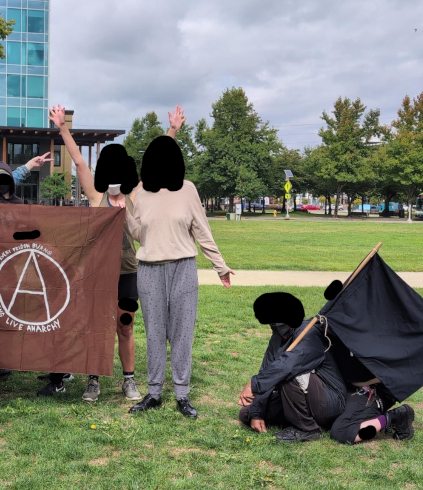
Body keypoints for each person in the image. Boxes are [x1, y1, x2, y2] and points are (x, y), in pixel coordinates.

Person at [35, 105, 186, 401]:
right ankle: (93, 381)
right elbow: (78, 161)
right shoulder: (95, 195)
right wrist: (62, 127)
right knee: (96, 328)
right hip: (97, 274)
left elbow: (156, 162)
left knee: (124, 327)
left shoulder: (136, 195)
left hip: (128, 273)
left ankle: (129, 381)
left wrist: (172, 131)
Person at [125, 133, 234, 419]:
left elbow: (202, 230)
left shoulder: (188, 190)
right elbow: (139, 235)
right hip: (149, 271)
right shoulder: (142, 195)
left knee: (182, 334)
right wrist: (125, 213)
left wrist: (220, 266)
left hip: (183, 268)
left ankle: (182, 394)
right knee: (154, 334)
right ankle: (154, 393)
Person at [237, 292, 347, 442]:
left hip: (329, 402)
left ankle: (306, 429)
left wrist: (254, 384)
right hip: (301, 395)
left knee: (288, 375)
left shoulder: (310, 333)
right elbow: (267, 371)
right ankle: (295, 417)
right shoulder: (276, 339)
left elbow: (288, 366)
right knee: (246, 414)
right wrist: (257, 414)